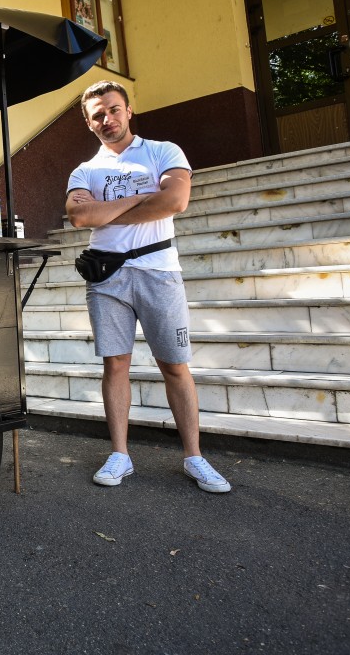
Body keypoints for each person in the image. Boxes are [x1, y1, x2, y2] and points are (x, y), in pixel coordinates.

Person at [65, 80, 230, 494]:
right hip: (108, 278)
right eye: (98, 114)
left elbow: (174, 202)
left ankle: (194, 456)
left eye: (114, 110)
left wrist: (105, 212)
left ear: (128, 110)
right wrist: (139, 200)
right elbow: (80, 218)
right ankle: (120, 454)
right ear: (88, 122)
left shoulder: (164, 151)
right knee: (115, 365)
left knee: (174, 365)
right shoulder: (84, 170)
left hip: (160, 272)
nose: (108, 119)